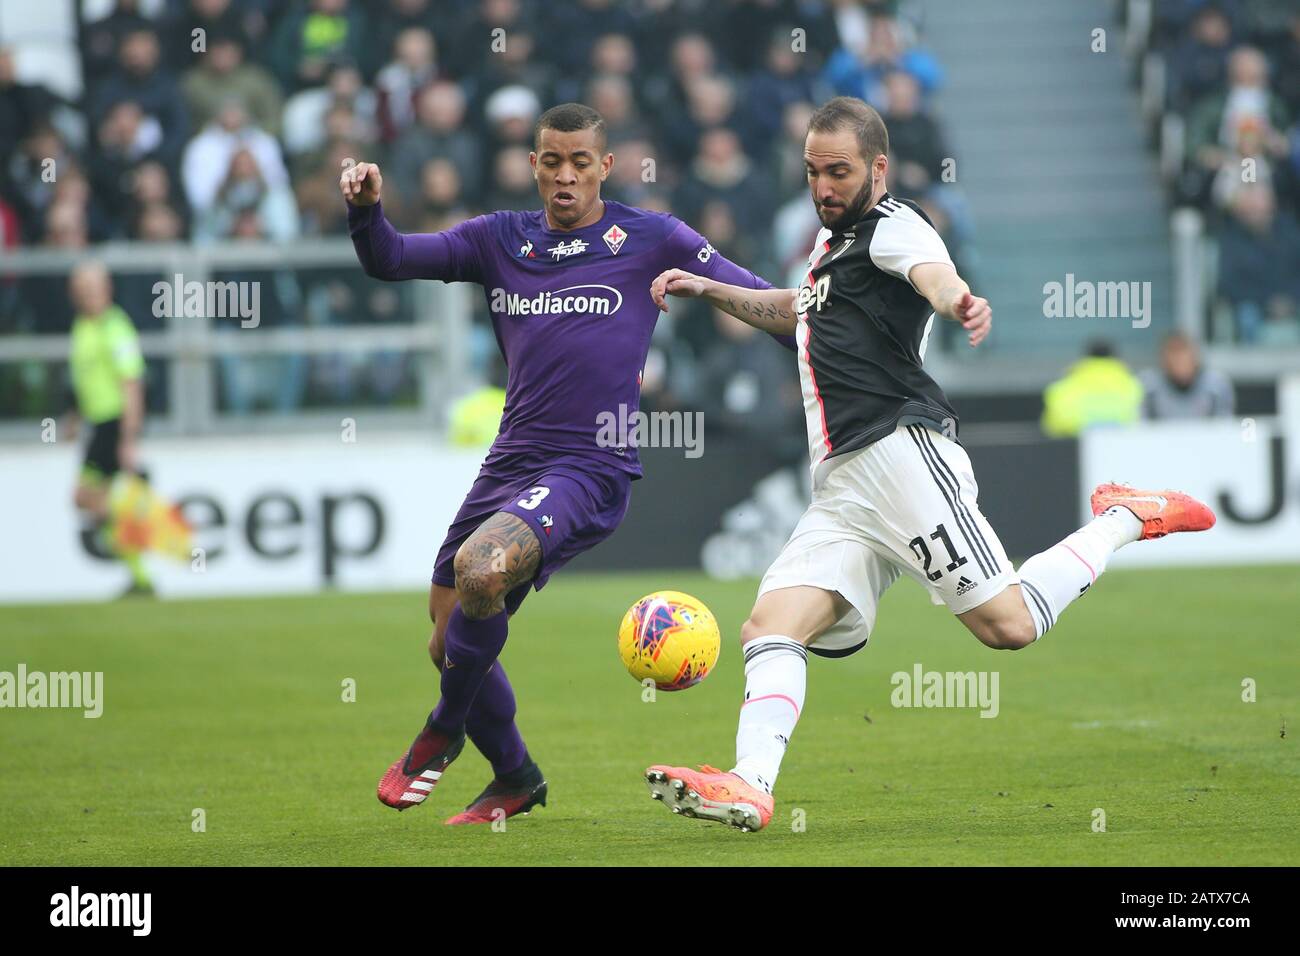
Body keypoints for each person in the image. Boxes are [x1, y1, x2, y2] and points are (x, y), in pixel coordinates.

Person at [642, 96, 1216, 832]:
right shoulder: (830, 253)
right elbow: (798, 312)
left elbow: (930, 270)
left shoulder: (891, 224)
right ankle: (751, 783)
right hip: (844, 482)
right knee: (769, 627)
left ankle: (1122, 519)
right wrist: (710, 288)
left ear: (878, 168)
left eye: (839, 171)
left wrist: (958, 301)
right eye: (814, 171)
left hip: (900, 454)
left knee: (1008, 626)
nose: (823, 186)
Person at [342, 102, 790, 825]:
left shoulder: (651, 237)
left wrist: (819, 346)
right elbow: (391, 259)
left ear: (605, 167)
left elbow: (761, 301)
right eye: (551, 161)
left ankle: (442, 731)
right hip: (511, 457)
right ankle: (516, 777)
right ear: (533, 165)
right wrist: (367, 211)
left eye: (581, 161)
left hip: (590, 463)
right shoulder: (499, 240)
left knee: (482, 569)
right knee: (446, 635)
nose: (565, 175)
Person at [65, 262, 153, 596]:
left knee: (84, 497)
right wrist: (74, 419)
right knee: (87, 499)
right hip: (97, 424)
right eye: (82, 288)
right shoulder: (83, 326)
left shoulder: (116, 327)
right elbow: (81, 379)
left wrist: (129, 438)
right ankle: (139, 573)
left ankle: (133, 526)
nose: (88, 294)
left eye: (93, 287)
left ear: (107, 289)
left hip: (113, 424)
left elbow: (131, 383)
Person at [1040, 340, 1144, 438]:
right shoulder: (1134, 384)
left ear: (1085, 358)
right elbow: (1143, 423)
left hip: (1075, 448)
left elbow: (1051, 426)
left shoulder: (1065, 384)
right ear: (1116, 358)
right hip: (1124, 447)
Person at [1140, 332, 1235, 419]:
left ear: (1195, 356)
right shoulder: (1149, 387)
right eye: (1173, 353)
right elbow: (1141, 429)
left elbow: (1224, 427)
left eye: (1183, 352)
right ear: (1163, 360)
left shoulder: (1216, 386)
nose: (1178, 359)